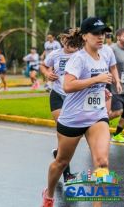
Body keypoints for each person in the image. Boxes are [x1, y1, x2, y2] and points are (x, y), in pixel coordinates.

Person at [42, 17, 122, 207]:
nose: (101, 37)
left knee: (102, 162)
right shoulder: (78, 59)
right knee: (61, 162)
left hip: (97, 115)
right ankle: (49, 193)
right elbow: (67, 85)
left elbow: (111, 67)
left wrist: (113, 82)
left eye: (103, 33)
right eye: (96, 33)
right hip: (73, 118)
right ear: (85, 36)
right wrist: (96, 80)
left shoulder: (107, 52)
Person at [40, 28, 80, 183]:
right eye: (67, 40)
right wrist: (47, 74)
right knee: (63, 134)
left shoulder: (82, 55)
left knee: (70, 138)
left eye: (73, 41)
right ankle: (67, 175)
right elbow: (43, 65)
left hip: (75, 98)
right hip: (58, 96)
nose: (70, 44)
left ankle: (59, 154)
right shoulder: (55, 54)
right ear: (62, 40)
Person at [108, 28, 124, 142]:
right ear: (118, 37)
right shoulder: (112, 50)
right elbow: (106, 66)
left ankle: (117, 135)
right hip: (115, 88)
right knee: (118, 111)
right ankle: (95, 124)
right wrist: (114, 79)